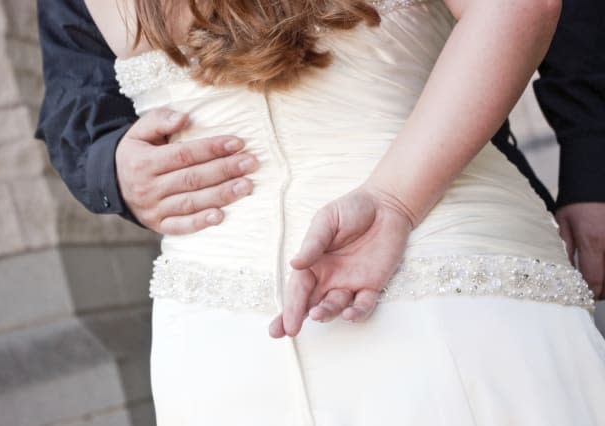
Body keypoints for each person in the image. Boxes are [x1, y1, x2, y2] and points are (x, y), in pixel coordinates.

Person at [39, 0, 605, 425]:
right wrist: (111, 165)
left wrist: (592, 159)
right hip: (223, 322)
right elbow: (75, 91)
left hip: (439, 263)